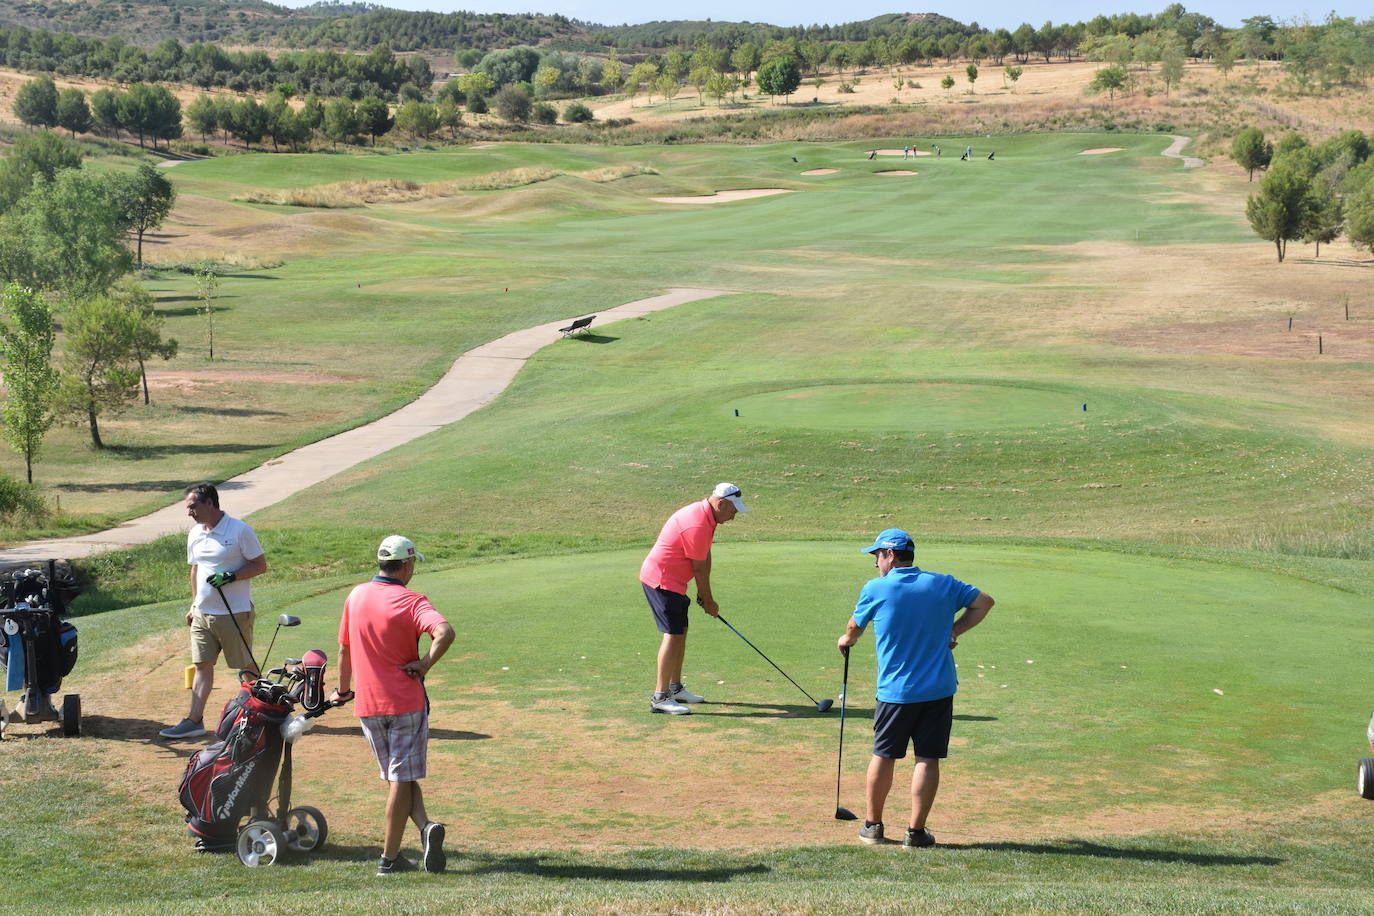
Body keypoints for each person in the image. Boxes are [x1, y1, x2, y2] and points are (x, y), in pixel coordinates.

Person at [836, 528, 994, 848]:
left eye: (877, 556)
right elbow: (984, 603)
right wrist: (954, 630)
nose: (875, 563)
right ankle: (916, 833)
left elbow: (854, 627)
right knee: (927, 758)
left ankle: (873, 827)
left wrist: (846, 640)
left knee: (883, 755)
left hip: (896, 692)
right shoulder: (942, 583)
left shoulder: (876, 588)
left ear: (890, 555)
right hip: (938, 689)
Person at [333, 535, 455, 876]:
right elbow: (445, 633)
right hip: (405, 702)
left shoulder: (356, 595)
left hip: (368, 706)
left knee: (397, 777)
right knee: (400, 779)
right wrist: (426, 663)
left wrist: (343, 691)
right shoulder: (412, 601)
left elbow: (343, 650)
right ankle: (389, 860)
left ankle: (425, 827)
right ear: (407, 564)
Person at [160, 483, 268, 739]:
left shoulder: (240, 530)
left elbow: (260, 565)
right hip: (202, 614)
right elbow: (196, 569)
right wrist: (194, 604)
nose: (190, 513)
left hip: (234, 613)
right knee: (202, 665)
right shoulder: (195, 533)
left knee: (245, 667)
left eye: (193, 506)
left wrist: (231, 576)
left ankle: (262, 712)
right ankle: (194, 720)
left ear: (209, 503)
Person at [639, 482, 746, 715]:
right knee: (673, 634)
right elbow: (698, 569)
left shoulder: (708, 517)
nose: (733, 517)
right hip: (661, 580)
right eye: (732, 511)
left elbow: (704, 557)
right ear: (721, 503)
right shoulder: (697, 522)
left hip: (675, 582)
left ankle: (675, 688)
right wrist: (708, 601)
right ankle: (659, 697)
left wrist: (705, 596)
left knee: (681, 631)